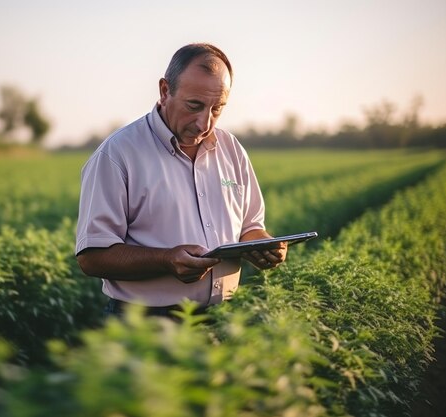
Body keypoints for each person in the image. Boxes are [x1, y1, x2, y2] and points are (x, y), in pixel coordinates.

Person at [75, 43, 287, 318]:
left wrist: (263, 245)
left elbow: (251, 226)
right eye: (194, 106)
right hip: (146, 323)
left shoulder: (231, 149)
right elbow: (92, 257)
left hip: (223, 318)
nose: (204, 123)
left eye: (217, 109)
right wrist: (166, 260)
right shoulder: (118, 153)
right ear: (165, 91)